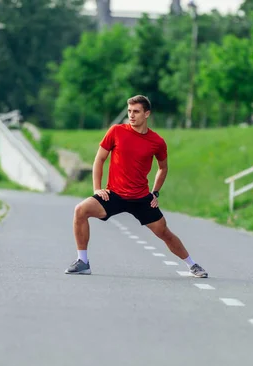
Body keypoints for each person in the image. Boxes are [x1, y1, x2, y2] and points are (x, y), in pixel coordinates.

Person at [66, 95, 208, 278]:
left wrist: (155, 192)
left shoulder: (157, 142)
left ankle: (192, 264)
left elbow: (163, 168)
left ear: (146, 114)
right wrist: (96, 188)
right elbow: (99, 159)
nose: (131, 115)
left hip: (141, 198)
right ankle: (82, 262)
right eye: (129, 111)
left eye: (136, 112)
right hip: (114, 194)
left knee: (164, 232)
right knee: (80, 210)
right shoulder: (116, 131)